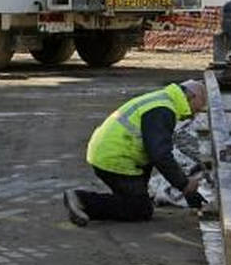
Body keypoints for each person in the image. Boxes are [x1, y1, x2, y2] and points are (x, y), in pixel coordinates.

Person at [64, 79, 208, 225]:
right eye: (198, 109)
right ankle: (83, 200)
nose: (194, 115)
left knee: (137, 197)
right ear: (192, 97)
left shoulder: (163, 99)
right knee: (140, 209)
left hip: (112, 150)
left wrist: (184, 187)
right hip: (114, 158)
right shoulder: (164, 110)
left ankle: (121, 199)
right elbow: (160, 155)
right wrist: (184, 184)